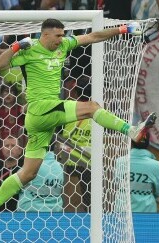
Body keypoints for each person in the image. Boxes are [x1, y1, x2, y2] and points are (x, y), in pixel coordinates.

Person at [0, 18, 157, 239]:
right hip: (41, 109)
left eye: (63, 35)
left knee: (29, 173)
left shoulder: (64, 46)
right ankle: (131, 131)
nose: (62, 39)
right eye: (58, 36)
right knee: (91, 107)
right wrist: (15, 47)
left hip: (41, 119)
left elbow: (93, 37)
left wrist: (123, 29)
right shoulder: (29, 50)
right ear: (45, 35)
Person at [60, 76, 92, 212]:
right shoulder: (98, 112)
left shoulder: (68, 109)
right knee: (89, 204)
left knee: (70, 205)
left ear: (76, 92)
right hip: (90, 164)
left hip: (70, 163)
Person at [116, 132, 159, 212]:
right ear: (148, 144)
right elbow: (158, 191)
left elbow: (116, 184)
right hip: (147, 211)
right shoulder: (155, 165)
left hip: (122, 212)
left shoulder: (119, 161)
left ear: (131, 142)